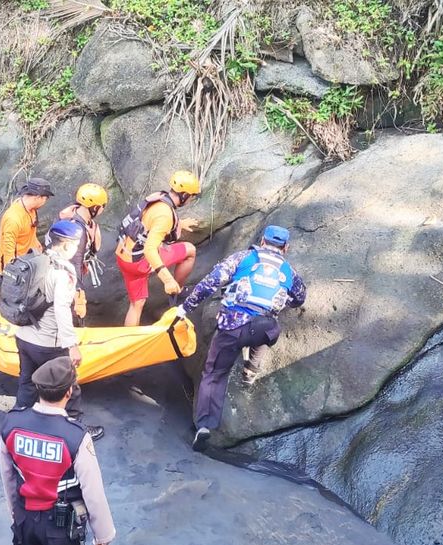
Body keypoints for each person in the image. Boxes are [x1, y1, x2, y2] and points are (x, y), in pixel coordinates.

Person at [0, 357, 115, 545]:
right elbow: (92, 489)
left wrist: (15, 513)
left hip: (26, 519)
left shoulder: (12, 424)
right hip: (61, 527)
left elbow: (7, 475)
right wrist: (104, 532)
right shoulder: (75, 436)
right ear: (69, 391)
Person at [175, 226, 307, 452]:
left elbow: (210, 283)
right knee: (264, 330)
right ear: (285, 247)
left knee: (215, 373)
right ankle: (250, 373)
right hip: (264, 328)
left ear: (262, 241)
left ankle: (205, 426)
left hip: (232, 326)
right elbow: (299, 298)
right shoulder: (289, 271)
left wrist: (185, 308)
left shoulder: (243, 258)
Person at [12, 221, 104, 440]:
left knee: (27, 383)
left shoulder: (33, 261)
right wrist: (71, 346)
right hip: (48, 343)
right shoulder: (63, 273)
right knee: (68, 386)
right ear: (65, 246)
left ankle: (17, 426)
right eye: (75, 244)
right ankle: (74, 429)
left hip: (23, 336)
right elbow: (62, 310)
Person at [115, 170, 202, 326]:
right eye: (192, 196)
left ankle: (128, 344)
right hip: (140, 262)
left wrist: (179, 224)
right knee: (190, 250)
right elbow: (150, 249)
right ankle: (179, 290)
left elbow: (148, 222)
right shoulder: (165, 215)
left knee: (136, 304)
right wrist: (168, 280)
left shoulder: (158, 198)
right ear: (185, 195)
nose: (191, 200)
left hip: (123, 256)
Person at [55, 183, 108, 324]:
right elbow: (74, 263)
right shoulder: (78, 231)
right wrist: (79, 296)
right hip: (63, 275)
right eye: (103, 206)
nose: (103, 209)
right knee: (65, 308)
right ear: (95, 207)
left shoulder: (71, 215)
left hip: (60, 269)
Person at [0, 177, 54, 275]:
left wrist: (37, 245)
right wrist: (11, 275)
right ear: (38, 197)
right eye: (45, 199)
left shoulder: (31, 210)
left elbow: (31, 230)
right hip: (16, 267)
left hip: (28, 260)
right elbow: (8, 251)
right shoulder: (13, 219)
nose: (45, 202)